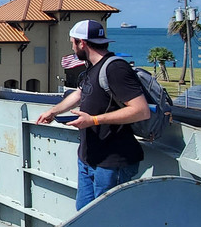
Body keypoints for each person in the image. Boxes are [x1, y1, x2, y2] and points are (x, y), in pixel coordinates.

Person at [37, 20, 151, 209]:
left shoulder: (115, 69)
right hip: (89, 157)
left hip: (112, 161)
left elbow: (141, 110)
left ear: (82, 43)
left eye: (73, 43)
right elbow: (80, 93)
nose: (72, 48)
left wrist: (94, 120)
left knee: (107, 217)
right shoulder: (93, 67)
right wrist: (53, 111)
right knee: (84, 215)